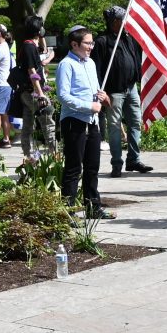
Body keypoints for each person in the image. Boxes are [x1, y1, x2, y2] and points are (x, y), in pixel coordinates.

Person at [56, 25, 115, 219]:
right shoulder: (66, 64)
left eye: (92, 42)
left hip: (93, 121)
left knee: (92, 166)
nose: (91, 46)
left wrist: (104, 98)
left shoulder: (89, 63)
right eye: (87, 43)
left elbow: (95, 91)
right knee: (74, 168)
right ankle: (68, 211)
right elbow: (63, 96)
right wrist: (89, 106)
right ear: (74, 44)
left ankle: (93, 207)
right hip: (74, 121)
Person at [93, 6, 153, 178]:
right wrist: (102, 93)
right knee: (114, 127)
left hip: (131, 88)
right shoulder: (102, 41)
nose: (126, 21)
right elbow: (96, 70)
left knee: (135, 123)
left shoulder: (129, 38)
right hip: (113, 92)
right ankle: (117, 163)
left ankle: (134, 159)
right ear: (114, 22)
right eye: (122, 18)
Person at [14, 15, 56, 155]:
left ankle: (29, 157)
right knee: (48, 122)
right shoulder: (29, 47)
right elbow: (32, 71)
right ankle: (54, 154)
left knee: (28, 126)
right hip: (33, 92)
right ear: (38, 30)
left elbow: (43, 51)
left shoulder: (29, 45)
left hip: (27, 92)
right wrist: (41, 94)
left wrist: (49, 54)